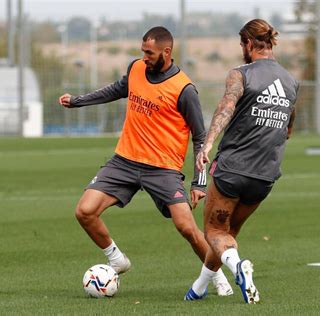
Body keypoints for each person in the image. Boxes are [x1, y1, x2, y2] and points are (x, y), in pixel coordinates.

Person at [58, 26, 233, 296]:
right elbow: (115, 90)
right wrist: (78, 101)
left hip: (163, 169)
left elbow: (200, 137)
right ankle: (117, 259)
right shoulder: (136, 69)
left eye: (149, 53)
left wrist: (200, 182)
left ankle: (217, 276)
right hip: (124, 162)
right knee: (85, 211)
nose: (144, 57)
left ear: (166, 51)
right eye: (142, 51)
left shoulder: (184, 89)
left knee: (186, 227)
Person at [184, 19, 299, 304]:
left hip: (233, 169)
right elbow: (288, 128)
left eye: (241, 45)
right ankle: (198, 289)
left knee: (213, 231)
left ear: (249, 43)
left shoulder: (241, 74)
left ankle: (239, 269)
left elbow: (226, 106)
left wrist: (207, 144)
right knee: (228, 235)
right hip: (265, 176)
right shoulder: (291, 81)